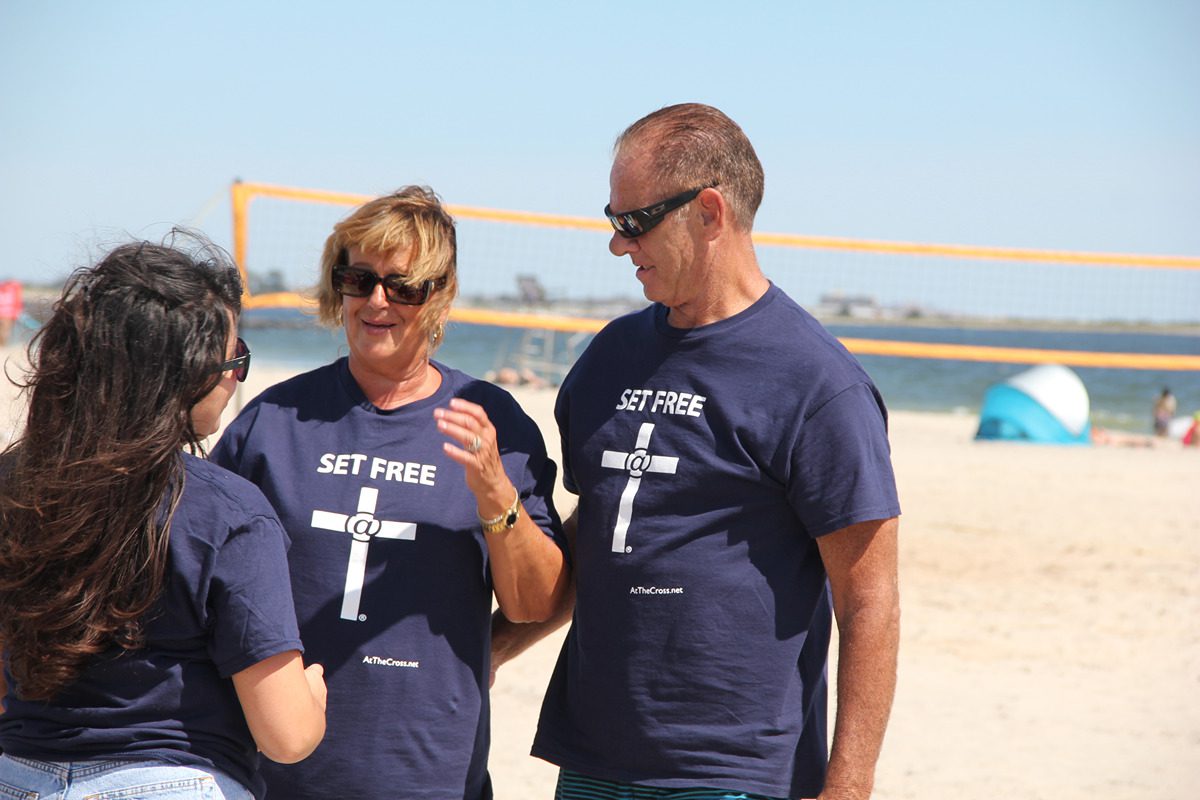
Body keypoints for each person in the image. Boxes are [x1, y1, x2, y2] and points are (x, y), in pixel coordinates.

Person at [519, 103, 901, 800]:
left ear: (709, 213)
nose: (618, 245)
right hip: (592, 757)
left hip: (732, 771)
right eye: (612, 219)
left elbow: (869, 599)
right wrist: (489, 647)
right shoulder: (609, 357)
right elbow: (603, 530)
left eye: (634, 221)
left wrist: (848, 785)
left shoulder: (817, 383)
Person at [211, 186, 569, 799]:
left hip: (430, 776)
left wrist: (495, 494)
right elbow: (202, 580)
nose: (377, 301)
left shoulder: (495, 421)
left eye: (403, 287)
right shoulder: (274, 421)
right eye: (358, 280)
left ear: (441, 295)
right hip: (276, 776)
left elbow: (535, 604)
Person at [0, 233, 327, 799]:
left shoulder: (14, 484)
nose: (235, 376)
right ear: (185, 374)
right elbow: (287, 736)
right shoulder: (229, 513)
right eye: (233, 359)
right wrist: (312, 695)